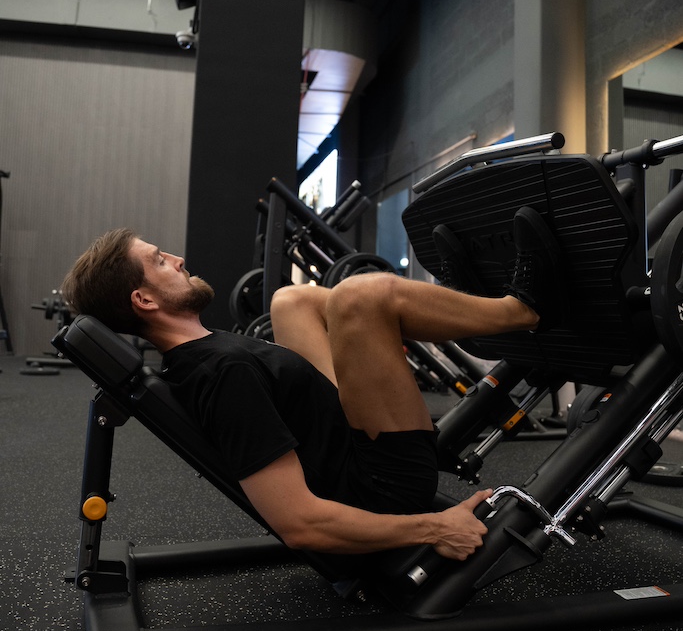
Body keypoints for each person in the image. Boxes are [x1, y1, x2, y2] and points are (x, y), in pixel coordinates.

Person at [61, 207, 565, 564]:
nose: (174, 257)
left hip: (340, 439)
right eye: (158, 261)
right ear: (145, 301)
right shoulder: (221, 374)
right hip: (381, 483)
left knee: (290, 301)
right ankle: (522, 310)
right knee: (362, 296)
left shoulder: (204, 354)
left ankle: (460, 299)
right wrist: (434, 526)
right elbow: (298, 523)